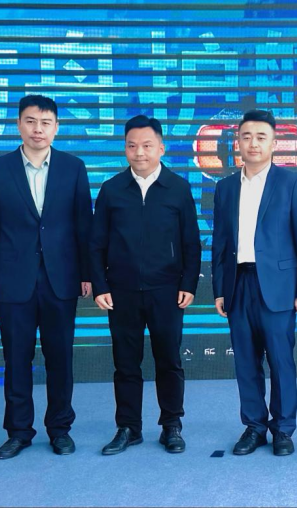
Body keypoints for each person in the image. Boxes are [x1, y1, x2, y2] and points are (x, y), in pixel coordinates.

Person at [0, 94, 93, 459]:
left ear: (56, 127)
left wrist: (87, 273)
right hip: (13, 281)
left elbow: (83, 226)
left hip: (61, 279)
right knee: (16, 359)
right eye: (30, 121)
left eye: (45, 123)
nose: (37, 129)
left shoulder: (74, 167)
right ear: (18, 125)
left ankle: (60, 429)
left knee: (60, 358)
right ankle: (19, 432)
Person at [90, 115, 201, 455]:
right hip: (121, 292)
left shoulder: (178, 188)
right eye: (132, 145)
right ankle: (129, 427)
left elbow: (191, 242)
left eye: (147, 145)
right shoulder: (111, 190)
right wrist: (100, 286)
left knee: (169, 360)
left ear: (161, 148)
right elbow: (96, 244)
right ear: (125, 148)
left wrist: (188, 283)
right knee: (126, 363)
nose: (139, 152)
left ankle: (171, 425)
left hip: (166, 290)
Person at [211, 109, 297, 457]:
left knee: (281, 361)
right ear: (237, 142)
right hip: (237, 284)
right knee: (245, 361)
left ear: (273, 143)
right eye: (246, 137)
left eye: (261, 137)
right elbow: (220, 242)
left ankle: (283, 429)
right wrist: (219, 289)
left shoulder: (292, 183)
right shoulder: (225, 187)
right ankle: (254, 426)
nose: (253, 143)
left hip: (279, 286)